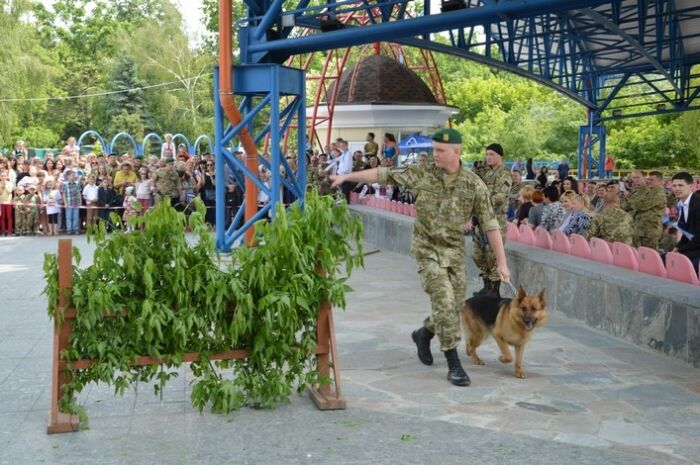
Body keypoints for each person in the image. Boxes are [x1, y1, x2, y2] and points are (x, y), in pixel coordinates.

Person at [329, 128, 511, 387]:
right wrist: (348, 175)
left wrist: (502, 263)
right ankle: (453, 361)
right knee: (445, 300)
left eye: (440, 150)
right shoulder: (422, 174)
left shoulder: (473, 184)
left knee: (454, 305)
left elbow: (491, 224)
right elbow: (384, 175)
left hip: (454, 253)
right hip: (427, 251)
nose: (434, 154)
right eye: (434, 149)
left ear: (456, 152)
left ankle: (424, 333)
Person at [473, 143, 512, 298]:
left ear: (500, 156)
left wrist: (480, 204)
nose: (488, 157)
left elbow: (499, 198)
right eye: (487, 154)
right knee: (478, 254)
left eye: (491, 154)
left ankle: (494, 289)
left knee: (492, 255)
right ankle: (486, 284)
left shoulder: (504, 174)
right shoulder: (484, 173)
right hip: (481, 219)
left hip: (496, 220)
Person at [622, 170, 666, 249]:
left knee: (649, 256)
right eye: (648, 179)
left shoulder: (659, 194)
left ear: (660, 181)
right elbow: (625, 205)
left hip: (650, 231)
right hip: (640, 229)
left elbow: (640, 206)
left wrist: (630, 202)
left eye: (652, 180)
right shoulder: (650, 192)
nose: (649, 181)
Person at [587, 180, 633, 245]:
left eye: (612, 187)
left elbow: (589, 236)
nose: (610, 189)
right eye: (609, 187)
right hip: (626, 250)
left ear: (604, 202)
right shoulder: (628, 216)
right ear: (618, 202)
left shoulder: (599, 217)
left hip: (607, 249)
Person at [671, 171, 700, 269]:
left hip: (697, 249)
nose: (677, 189)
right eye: (674, 186)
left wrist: (681, 250)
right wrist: (677, 247)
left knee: (682, 266)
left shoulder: (698, 204)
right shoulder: (682, 204)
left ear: (691, 186)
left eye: (680, 185)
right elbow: (687, 233)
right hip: (694, 247)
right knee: (666, 259)